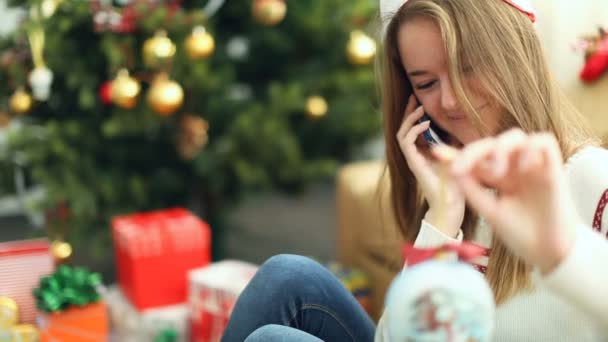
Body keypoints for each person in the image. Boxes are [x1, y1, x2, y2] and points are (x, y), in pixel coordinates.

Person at [221, 0, 608, 341]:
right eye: (426, 83)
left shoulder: (592, 179)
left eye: (467, 68)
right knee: (286, 277)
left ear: (514, 57)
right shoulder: (456, 189)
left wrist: (564, 254)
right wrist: (442, 217)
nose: (451, 99)